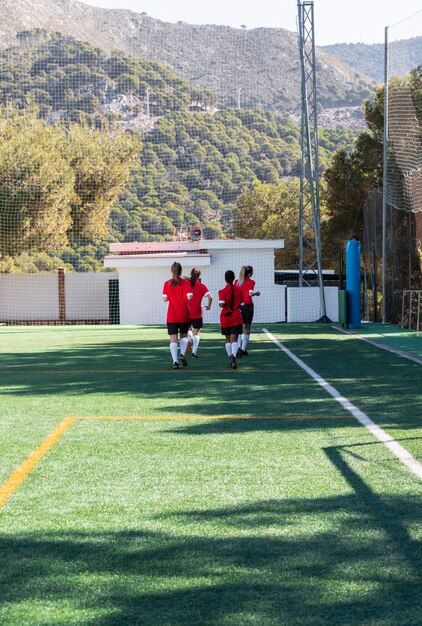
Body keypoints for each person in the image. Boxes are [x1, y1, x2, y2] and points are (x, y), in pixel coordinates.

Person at [162, 262, 193, 369]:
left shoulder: (166, 284)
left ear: (172, 271)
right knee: (184, 335)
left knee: (173, 338)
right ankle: (182, 354)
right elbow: (189, 297)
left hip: (172, 315)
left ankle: (175, 362)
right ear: (181, 271)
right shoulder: (186, 283)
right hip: (184, 314)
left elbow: (165, 299)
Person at [218, 270, 243, 369]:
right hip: (236, 316)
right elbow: (241, 305)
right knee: (235, 339)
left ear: (225, 279)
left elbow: (221, 304)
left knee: (228, 339)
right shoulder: (239, 291)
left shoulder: (222, 291)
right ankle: (234, 356)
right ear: (233, 278)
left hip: (225, 317)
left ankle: (230, 357)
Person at [186, 267, 212, 359]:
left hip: (186, 311)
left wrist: (188, 279)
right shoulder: (202, 286)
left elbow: (181, 278)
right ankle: (194, 352)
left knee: (188, 329)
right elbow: (210, 297)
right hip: (197, 312)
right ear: (199, 276)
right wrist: (209, 306)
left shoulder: (186, 284)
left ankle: (189, 340)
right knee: (196, 332)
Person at [235, 265, 260, 356]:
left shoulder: (237, 282)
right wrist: (256, 293)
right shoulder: (251, 282)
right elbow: (250, 293)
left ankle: (237, 347)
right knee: (247, 327)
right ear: (249, 274)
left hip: (238, 306)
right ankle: (243, 349)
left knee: (238, 328)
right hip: (247, 306)